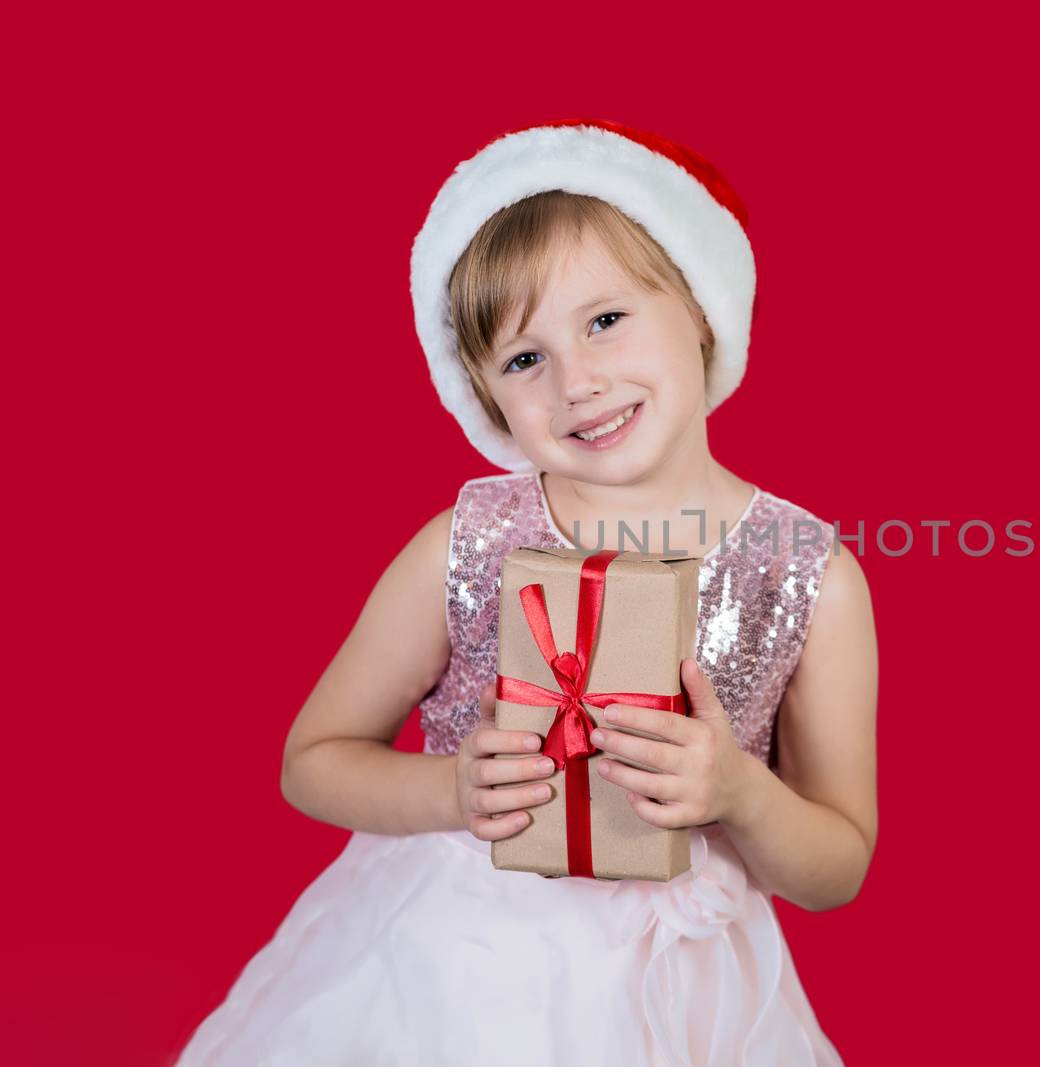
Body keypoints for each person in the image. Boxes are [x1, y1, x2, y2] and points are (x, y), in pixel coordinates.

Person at [175, 119, 878, 1066]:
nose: (577, 382)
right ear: (486, 397)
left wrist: (738, 790)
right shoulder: (465, 545)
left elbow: (835, 864)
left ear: (702, 311)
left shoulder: (807, 575)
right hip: (454, 972)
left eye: (605, 319)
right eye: (523, 359)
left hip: (683, 998)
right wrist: (450, 789)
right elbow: (314, 758)